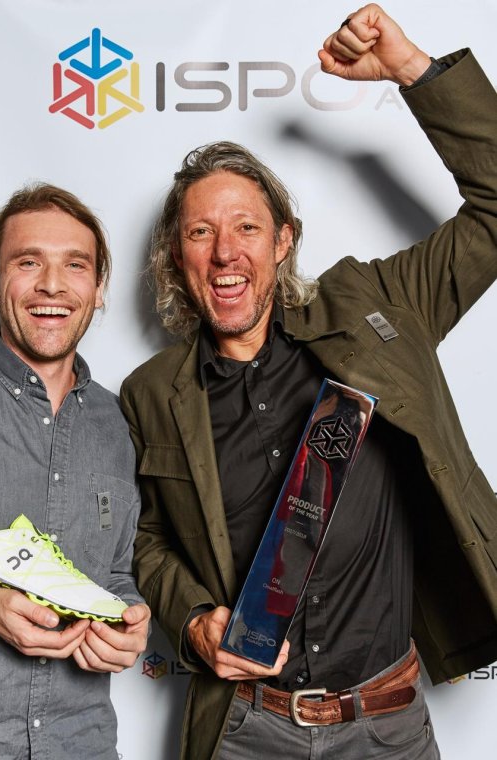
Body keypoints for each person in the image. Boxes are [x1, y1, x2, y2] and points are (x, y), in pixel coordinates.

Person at [120, 5, 497, 759]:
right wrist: (193, 618)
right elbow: (149, 540)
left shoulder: (377, 307)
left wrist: (412, 71)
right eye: (200, 232)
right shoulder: (151, 392)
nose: (226, 251)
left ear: (284, 239)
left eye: (247, 227)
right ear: (176, 256)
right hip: (246, 727)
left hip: (387, 724)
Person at [0, 183, 150, 759]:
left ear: (98, 290)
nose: (53, 285)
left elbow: (113, 572)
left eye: (75, 265)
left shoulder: (118, 421)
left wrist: (130, 621)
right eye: (29, 262)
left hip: (85, 744)